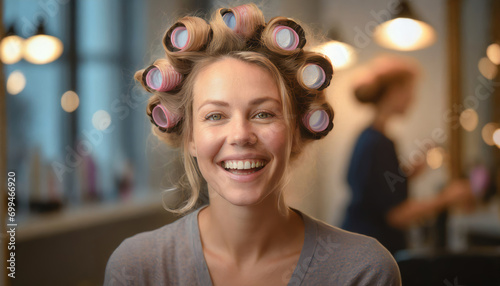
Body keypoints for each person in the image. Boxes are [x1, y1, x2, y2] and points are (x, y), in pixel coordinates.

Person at [104, 4, 401, 285]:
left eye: (263, 113)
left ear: (296, 131)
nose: (241, 135)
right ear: (190, 137)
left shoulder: (363, 271)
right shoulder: (137, 268)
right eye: (216, 115)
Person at [342, 55, 473, 254]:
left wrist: (407, 174)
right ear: (395, 92)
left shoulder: (369, 137)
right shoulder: (378, 144)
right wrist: (447, 198)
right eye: (410, 91)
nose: (414, 98)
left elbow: (376, 191)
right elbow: (396, 215)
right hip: (372, 253)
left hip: (361, 246)